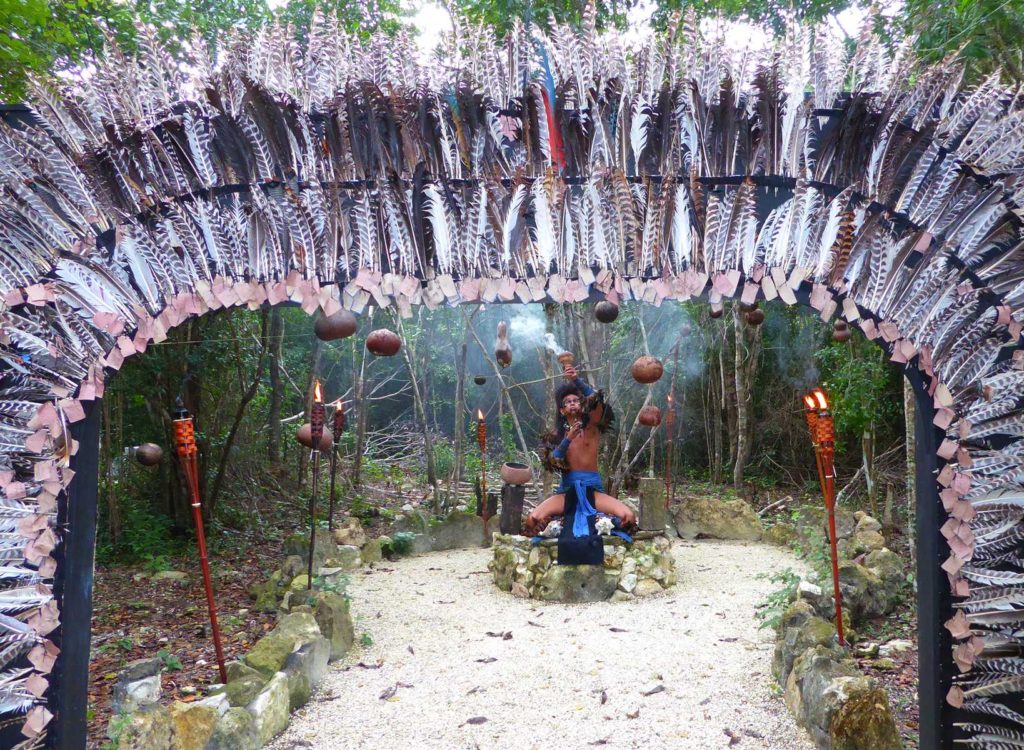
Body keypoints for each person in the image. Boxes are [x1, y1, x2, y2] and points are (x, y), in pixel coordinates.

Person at [525, 364, 637, 536]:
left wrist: (576, 380)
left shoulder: (592, 428)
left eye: (576, 400)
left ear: (581, 404)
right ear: (562, 411)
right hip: (567, 492)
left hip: (593, 490)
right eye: (568, 402)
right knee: (532, 519)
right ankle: (555, 522)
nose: (572, 404)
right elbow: (553, 461)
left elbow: (597, 400)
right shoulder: (556, 435)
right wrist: (568, 438)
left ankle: (599, 521)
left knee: (628, 517)